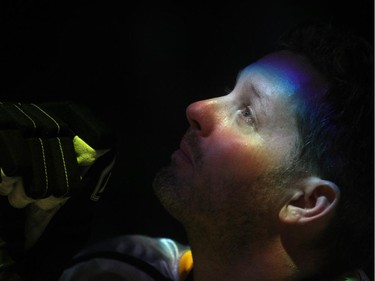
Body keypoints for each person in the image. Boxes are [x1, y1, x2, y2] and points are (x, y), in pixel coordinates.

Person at [1, 20, 374, 280]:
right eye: (229, 90)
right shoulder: (122, 268)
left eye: (247, 113)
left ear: (306, 203)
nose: (198, 108)